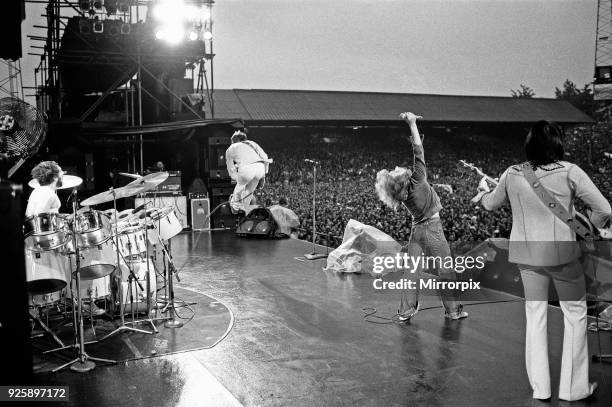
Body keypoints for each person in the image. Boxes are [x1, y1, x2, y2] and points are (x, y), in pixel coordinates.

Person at [474, 120, 610, 401]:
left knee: (535, 316)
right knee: (575, 314)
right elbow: (603, 208)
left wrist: (483, 190)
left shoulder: (512, 173)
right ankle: (574, 390)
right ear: (557, 144)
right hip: (563, 258)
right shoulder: (570, 171)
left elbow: (489, 203)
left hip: (527, 258)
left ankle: (541, 388)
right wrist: (591, 228)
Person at [375, 112, 467, 321]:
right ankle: (453, 311)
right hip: (432, 229)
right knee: (446, 269)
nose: (400, 168)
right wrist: (413, 123)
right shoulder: (418, 179)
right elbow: (418, 150)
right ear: (407, 178)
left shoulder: (403, 196)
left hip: (417, 231)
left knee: (411, 272)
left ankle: (406, 311)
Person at [225, 130, 272, 215]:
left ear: (235, 140)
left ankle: (235, 208)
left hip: (247, 169)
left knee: (239, 189)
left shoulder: (231, 148)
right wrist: (263, 176)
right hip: (260, 168)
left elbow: (230, 166)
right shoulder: (253, 143)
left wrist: (235, 177)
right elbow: (265, 157)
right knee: (249, 191)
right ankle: (244, 208)